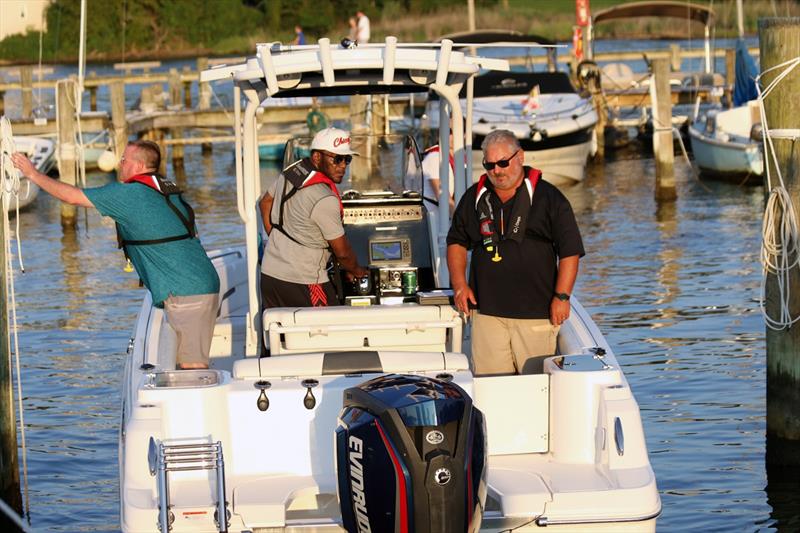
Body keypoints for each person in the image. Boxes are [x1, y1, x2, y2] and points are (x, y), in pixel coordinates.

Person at [12, 141, 220, 370]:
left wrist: (32, 174)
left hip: (187, 292)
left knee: (193, 369)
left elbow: (72, 197)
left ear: (139, 165)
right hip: (197, 284)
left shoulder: (130, 194)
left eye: (124, 160)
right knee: (187, 366)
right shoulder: (166, 191)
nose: (119, 164)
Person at [446, 129, 584, 376]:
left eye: (502, 163)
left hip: (536, 315)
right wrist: (459, 284)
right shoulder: (473, 198)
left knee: (535, 386)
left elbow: (570, 251)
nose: (497, 171)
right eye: (490, 165)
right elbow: (456, 242)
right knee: (492, 388)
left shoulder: (550, 198)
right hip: (487, 314)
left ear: (520, 156)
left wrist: (562, 297)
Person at [259, 127, 367, 309]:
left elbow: (265, 203)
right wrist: (357, 271)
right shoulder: (324, 199)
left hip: (270, 276)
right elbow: (343, 253)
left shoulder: (293, 173)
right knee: (329, 331)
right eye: (337, 159)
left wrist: (278, 242)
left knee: (282, 334)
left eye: (347, 160)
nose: (343, 166)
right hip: (304, 280)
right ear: (317, 157)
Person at [421, 130, 456, 214]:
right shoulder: (435, 157)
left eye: (453, 131)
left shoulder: (450, 159)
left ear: (464, 134)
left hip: (439, 218)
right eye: (449, 131)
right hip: (432, 221)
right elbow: (443, 198)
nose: (451, 135)